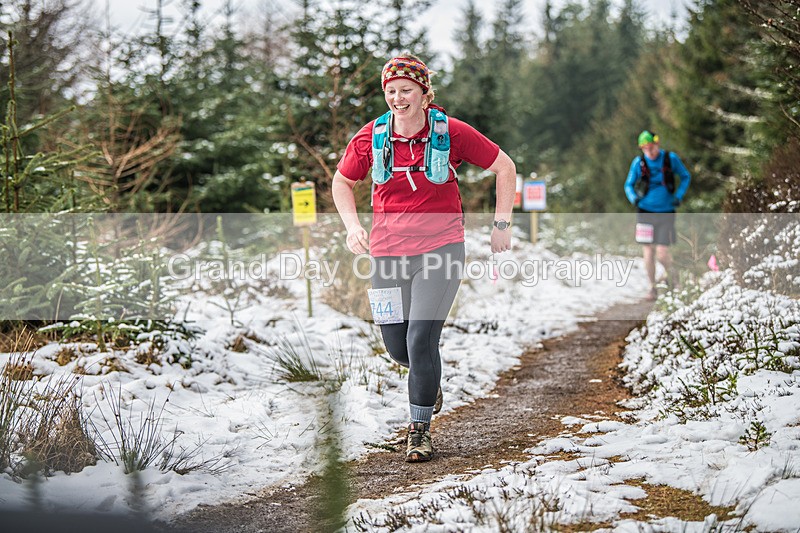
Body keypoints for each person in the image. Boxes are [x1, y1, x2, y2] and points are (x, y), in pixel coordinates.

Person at [332, 54, 516, 463]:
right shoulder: (372, 137)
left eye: (406, 90)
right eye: (391, 91)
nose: (398, 98)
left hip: (441, 249)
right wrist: (351, 226)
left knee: (420, 338)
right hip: (387, 254)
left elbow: (505, 167)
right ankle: (428, 383)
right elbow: (342, 180)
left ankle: (419, 430)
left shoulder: (450, 132)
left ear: (424, 92)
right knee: (399, 348)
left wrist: (501, 224)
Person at [624, 130, 691, 301]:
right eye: (645, 149)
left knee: (662, 252)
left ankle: (673, 279)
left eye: (651, 148)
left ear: (657, 144)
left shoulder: (670, 159)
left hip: (666, 211)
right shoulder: (638, 163)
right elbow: (628, 185)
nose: (649, 152)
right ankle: (652, 288)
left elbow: (685, 176)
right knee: (648, 252)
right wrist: (634, 199)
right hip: (645, 212)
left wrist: (679, 196)